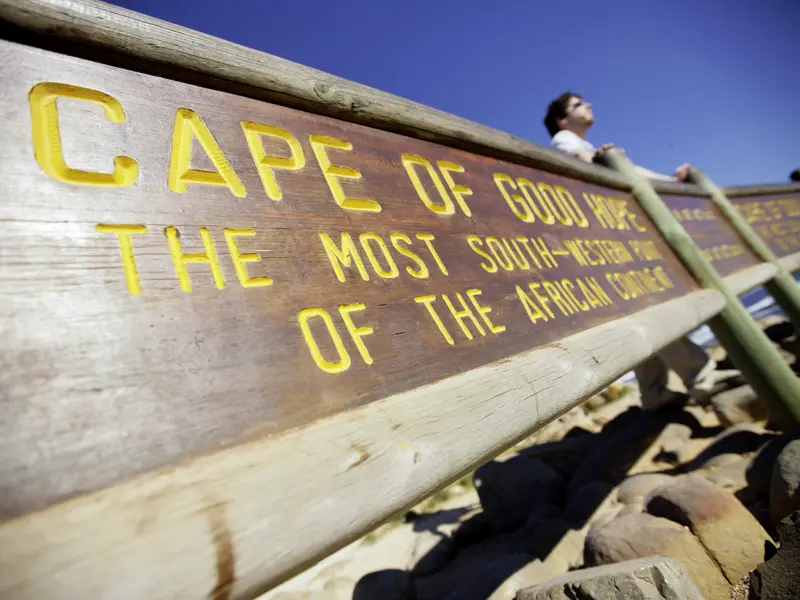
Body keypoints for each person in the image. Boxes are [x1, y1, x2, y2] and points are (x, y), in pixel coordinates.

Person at [544, 91, 741, 409]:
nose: (590, 104)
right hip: (610, 239)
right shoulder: (565, 141)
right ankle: (701, 377)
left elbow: (629, 171)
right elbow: (595, 166)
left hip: (610, 238)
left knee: (639, 307)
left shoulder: (587, 146)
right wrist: (597, 161)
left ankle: (653, 391)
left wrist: (672, 182)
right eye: (579, 104)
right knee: (651, 306)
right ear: (561, 119)